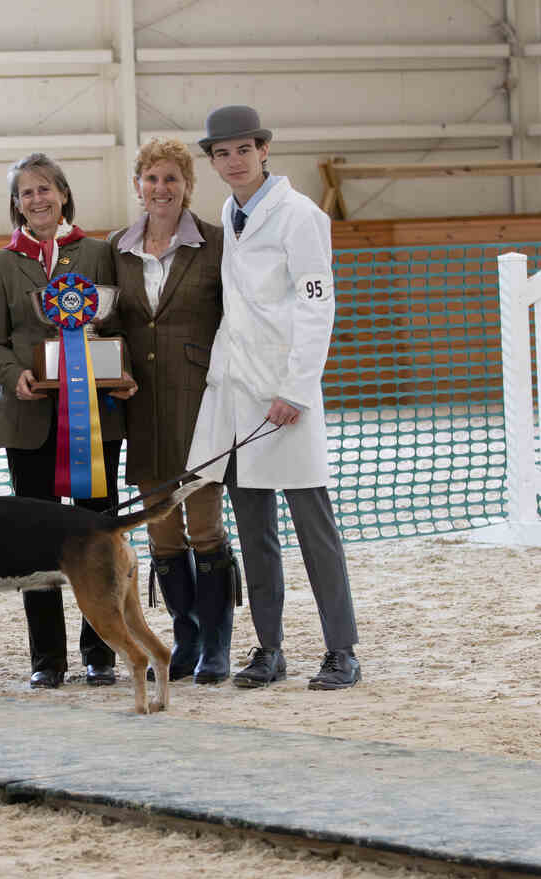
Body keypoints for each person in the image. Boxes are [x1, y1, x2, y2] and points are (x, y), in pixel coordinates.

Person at [187, 105, 361, 690]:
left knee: (315, 530)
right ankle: (269, 649)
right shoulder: (229, 213)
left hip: (286, 400)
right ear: (212, 162)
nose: (233, 161)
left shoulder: (301, 216)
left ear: (264, 150)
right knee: (254, 532)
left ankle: (342, 649)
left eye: (243, 149)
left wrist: (296, 388)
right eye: (221, 153)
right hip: (237, 397)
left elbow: (318, 305)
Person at [0, 152, 137, 690]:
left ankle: (102, 651)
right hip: (26, 420)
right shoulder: (1, 264)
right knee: (33, 543)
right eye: (26, 193)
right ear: (15, 205)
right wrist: (11, 374)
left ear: (64, 194)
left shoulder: (98, 253)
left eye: (45, 189)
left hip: (94, 420)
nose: (37, 199)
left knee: (97, 538)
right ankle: (46, 659)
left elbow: (122, 326)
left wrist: (123, 374)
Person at [109, 137, 239, 685]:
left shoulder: (215, 243)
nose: (161, 189)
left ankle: (217, 645)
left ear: (188, 186)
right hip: (140, 409)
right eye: (151, 179)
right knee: (161, 534)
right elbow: (109, 324)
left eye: (172, 180)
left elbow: (237, 317)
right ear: (138, 185)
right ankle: (183, 637)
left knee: (206, 528)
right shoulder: (115, 248)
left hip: (202, 404)